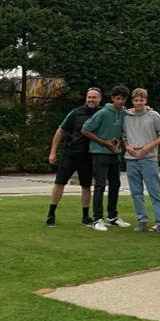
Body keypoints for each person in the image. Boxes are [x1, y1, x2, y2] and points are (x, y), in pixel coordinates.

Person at [46, 87, 101, 227]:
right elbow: (60, 131)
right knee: (59, 183)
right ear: (86, 98)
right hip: (70, 154)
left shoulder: (103, 113)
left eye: (94, 97)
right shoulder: (75, 112)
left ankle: (85, 216)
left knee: (86, 186)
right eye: (89, 97)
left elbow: (120, 112)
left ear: (99, 99)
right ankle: (51, 214)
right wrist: (53, 152)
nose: (91, 99)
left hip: (88, 156)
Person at [81, 84, 131, 231]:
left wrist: (118, 143)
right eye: (118, 98)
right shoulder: (102, 113)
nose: (120, 101)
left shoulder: (125, 113)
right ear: (112, 98)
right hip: (99, 154)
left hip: (115, 154)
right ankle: (97, 219)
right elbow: (85, 130)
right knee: (100, 186)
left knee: (115, 185)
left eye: (123, 99)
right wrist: (104, 143)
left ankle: (112, 217)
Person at [121, 88, 160, 234]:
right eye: (136, 100)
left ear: (146, 100)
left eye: (141, 100)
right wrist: (127, 146)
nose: (139, 103)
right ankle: (141, 221)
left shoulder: (153, 115)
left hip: (149, 159)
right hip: (131, 159)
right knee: (136, 193)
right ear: (132, 101)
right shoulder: (126, 116)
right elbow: (123, 136)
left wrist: (149, 147)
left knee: (155, 192)